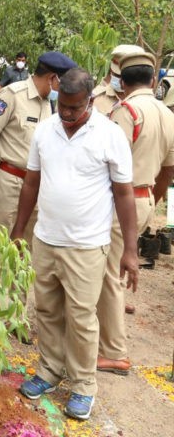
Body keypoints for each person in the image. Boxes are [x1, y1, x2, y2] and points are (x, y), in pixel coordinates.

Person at [14, 67, 138, 422]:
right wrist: (19, 231)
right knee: (47, 311)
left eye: (75, 108)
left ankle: (83, 386)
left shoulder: (110, 135)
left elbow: (125, 194)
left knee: (82, 318)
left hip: (86, 245)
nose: (67, 115)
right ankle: (50, 371)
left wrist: (130, 250)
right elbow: (30, 184)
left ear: (91, 101)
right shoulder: (45, 130)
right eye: (62, 106)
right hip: (46, 240)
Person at [96, 49, 174, 375]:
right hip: (145, 199)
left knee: (109, 276)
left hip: (121, 201)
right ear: (154, 80)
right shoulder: (166, 113)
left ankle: (114, 351)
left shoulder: (125, 111)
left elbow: (109, 164)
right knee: (113, 269)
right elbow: (169, 169)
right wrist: (152, 201)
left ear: (122, 82)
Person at [0, 51, 77, 255]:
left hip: (34, 188)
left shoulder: (48, 103)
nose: (64, 89)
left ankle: (17, 289)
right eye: (63, 83)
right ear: (52, 78)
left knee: (24, 250)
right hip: (7, 184)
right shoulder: (13, 95)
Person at [92, 47, 127, 116]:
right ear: (111, 70)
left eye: (123, 77)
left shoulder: (144, 102)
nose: (120, 81)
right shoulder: (95, 97)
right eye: (116, 75)